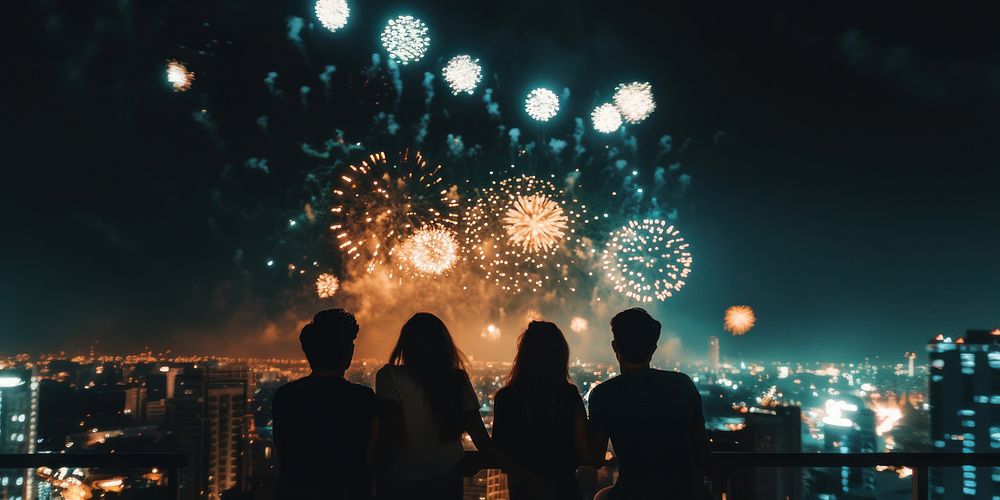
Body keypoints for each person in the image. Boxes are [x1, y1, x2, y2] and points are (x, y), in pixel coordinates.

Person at [375, 312, 502, 500]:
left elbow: (390, 432)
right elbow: (480, 437)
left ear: (406, 345)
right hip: (447, 481)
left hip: (403, 482)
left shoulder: (389, 376)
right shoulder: (457, 380)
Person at [588, 308, 710, 500]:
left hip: (631, 493)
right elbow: (702, 447)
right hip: (682, 493)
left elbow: (595, 458)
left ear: (615, 347)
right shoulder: (682, 384)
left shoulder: (603, 394)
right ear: (653, 348)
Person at [272, 309, 379, 499]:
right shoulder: (364, 399)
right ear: (348, 353)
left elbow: (283, 456)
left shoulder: (285, 397)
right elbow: (371, 460)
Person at [492, 321, 591, 500]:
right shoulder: (568, 395)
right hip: (563, 487)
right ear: (560, 356)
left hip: (523, 489)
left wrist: (530, 479)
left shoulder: (505, 397)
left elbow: (499, 451)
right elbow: (583, 451)